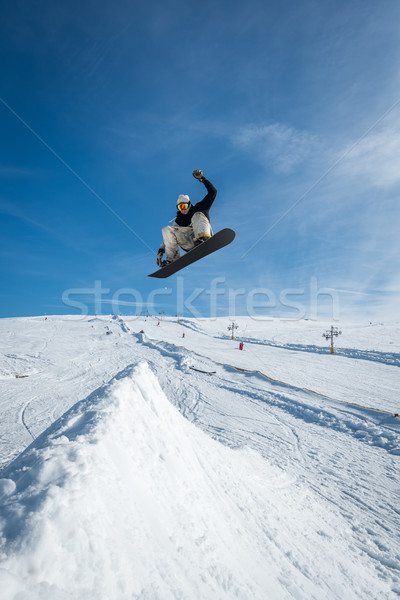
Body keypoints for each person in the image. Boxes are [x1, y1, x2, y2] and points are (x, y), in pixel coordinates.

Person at [156, 170, 217, 267]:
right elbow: (170, 234)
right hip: (189, 243)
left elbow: (213, 192)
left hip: (202, 234)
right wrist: (161, 249)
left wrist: (202, 179)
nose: (182, 209)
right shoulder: (179, 219)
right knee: (167, 229)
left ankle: (202, 239)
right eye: (180, 207)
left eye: (184, 206)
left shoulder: (200, 207)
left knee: (197, 215)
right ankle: (172, 259)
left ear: (189, 204)